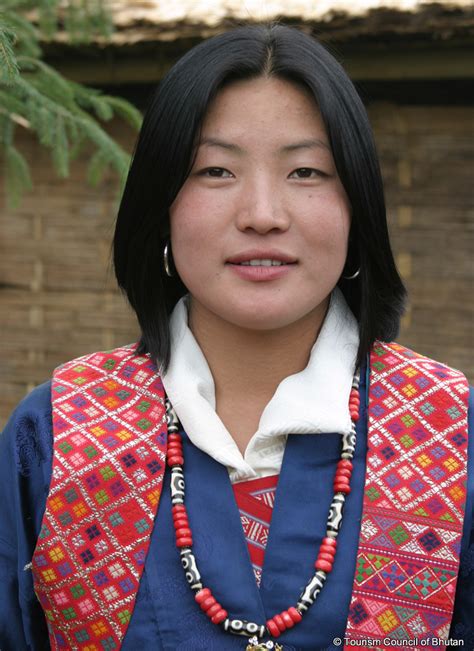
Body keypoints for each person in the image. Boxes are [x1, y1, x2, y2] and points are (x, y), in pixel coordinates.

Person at [0, 23, 472, 651]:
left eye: (306, 171)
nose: (262, 214)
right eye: (215, 170)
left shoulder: (451, 429)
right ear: (160, 204)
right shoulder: (59, 432)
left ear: (357, 207)